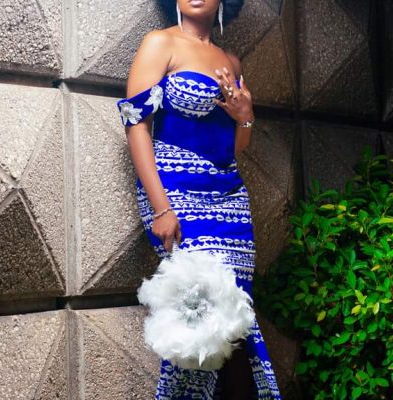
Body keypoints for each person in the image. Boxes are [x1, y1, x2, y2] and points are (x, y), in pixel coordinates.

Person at [116, 0, 282, 399]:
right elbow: (136, 126)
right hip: (175, 192)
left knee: (236, 316)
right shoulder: (160, 44)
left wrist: (245, 115)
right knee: (202, 312)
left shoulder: (231, 62)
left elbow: (234, 147)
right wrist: (160, 207)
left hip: (229, 197)